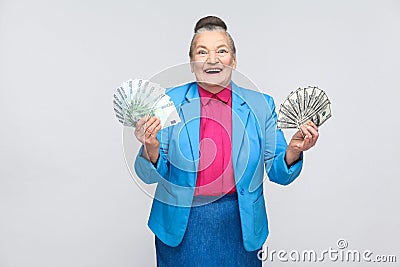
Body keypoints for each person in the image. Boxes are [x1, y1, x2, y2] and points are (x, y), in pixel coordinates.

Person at [134, 16, 319, 267]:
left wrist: (293, 150)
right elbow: (147, 174)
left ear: (234, 60)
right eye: (202, 52)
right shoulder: (168, 102)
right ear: (191, 62)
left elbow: (279, 173)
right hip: (181, 224)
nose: (212, 59)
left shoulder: (261, 105)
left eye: (222, 51)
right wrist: (151, 148)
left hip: (240, 223)